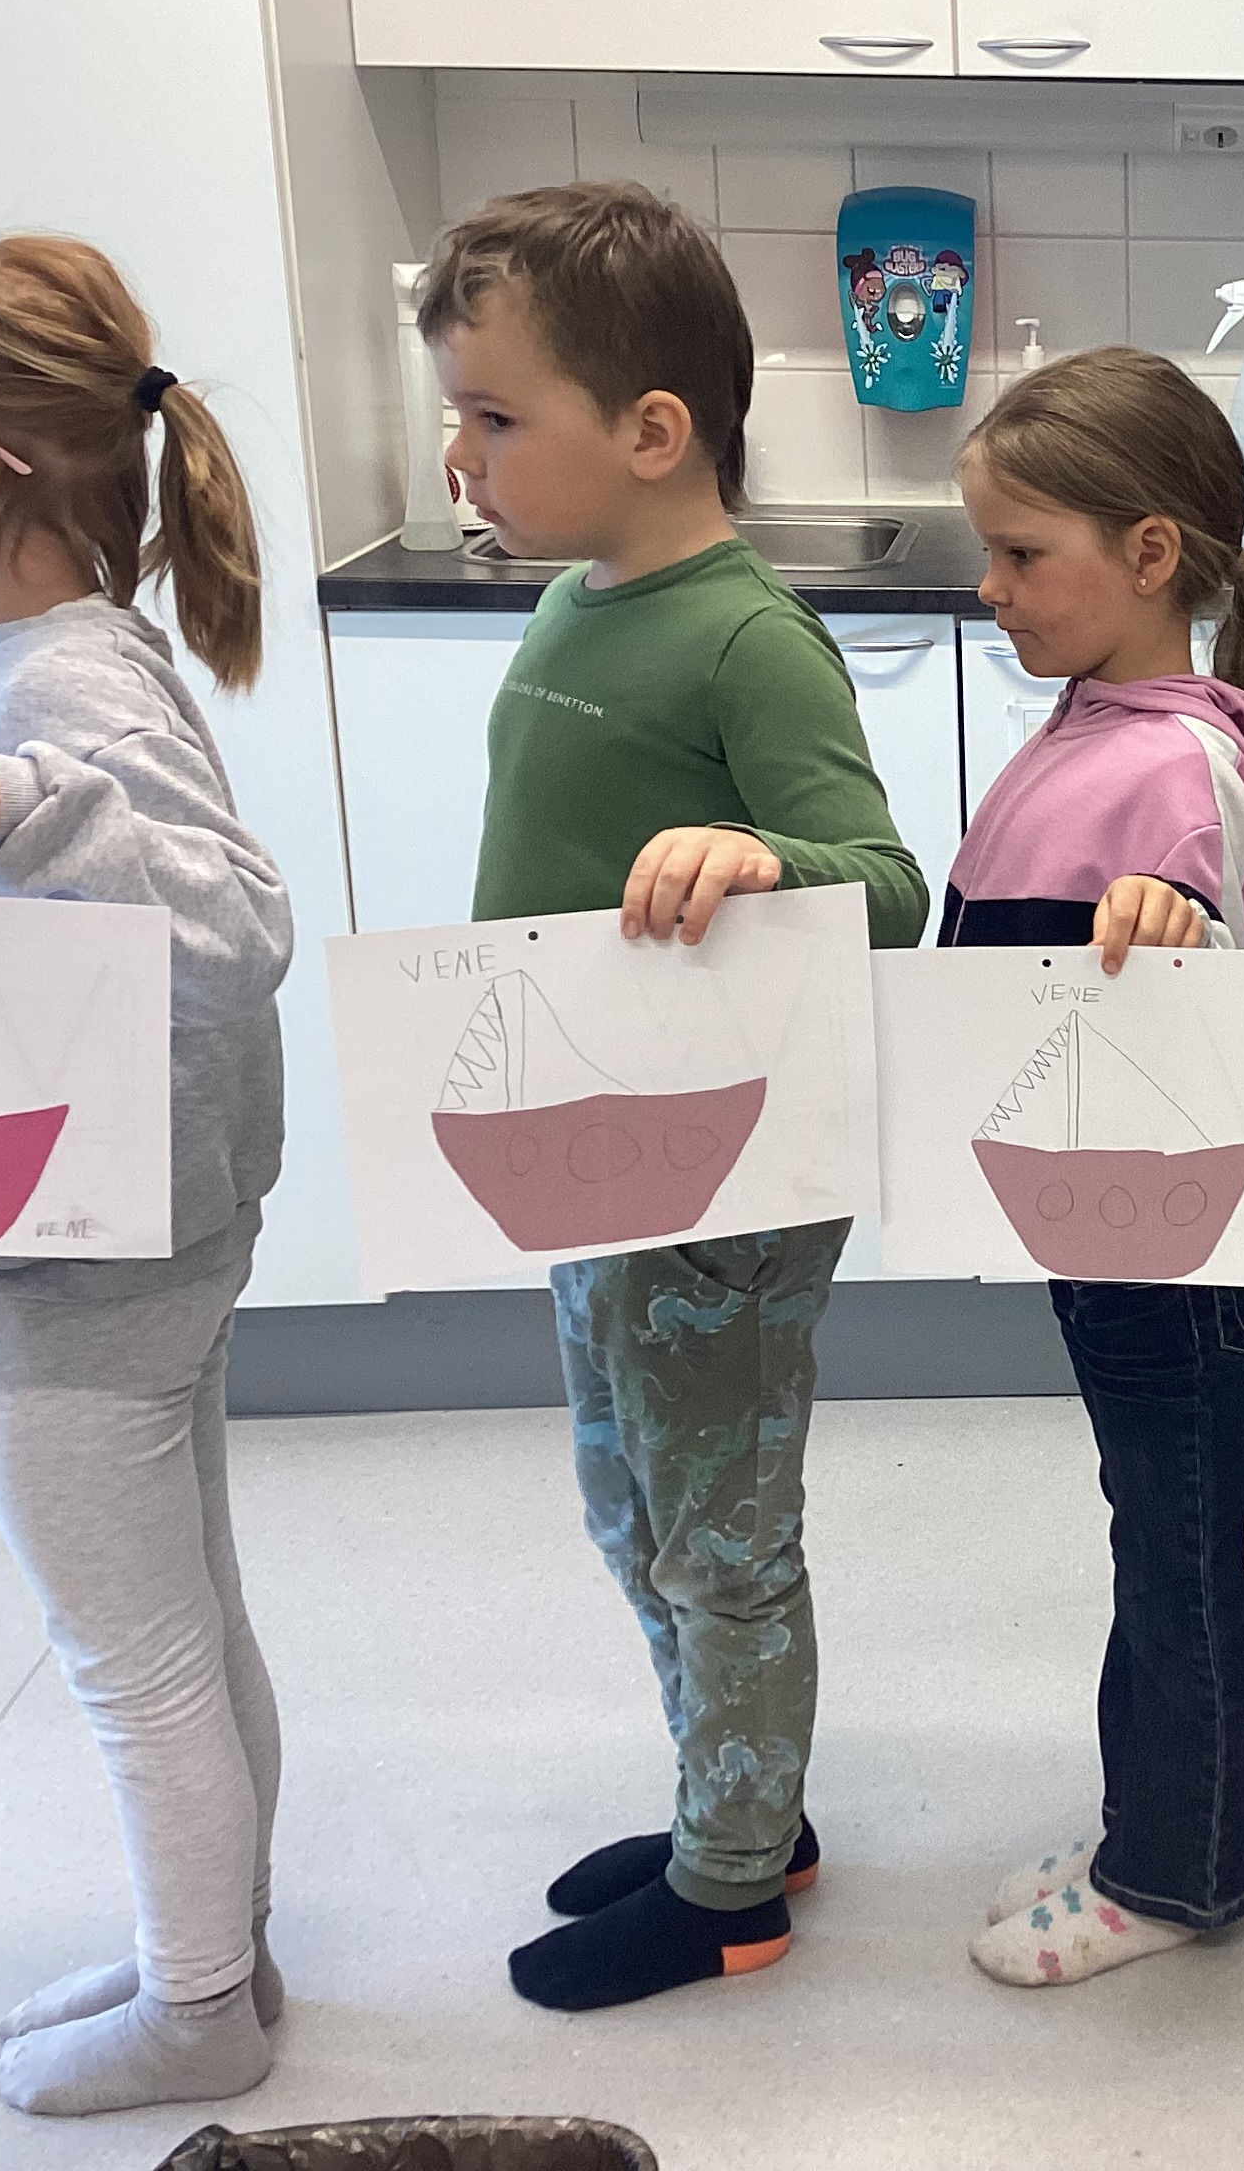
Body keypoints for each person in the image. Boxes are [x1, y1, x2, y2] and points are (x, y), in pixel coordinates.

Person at [414, 182, 929, 2012]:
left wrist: (760, 853)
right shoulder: (574, 598)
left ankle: (729, 1889)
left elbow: (889, 884)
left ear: (650, 432)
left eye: (494, 415)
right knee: (627, 1502)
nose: (459, 455)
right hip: (593, 1150)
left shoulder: (746, 637)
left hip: (723, 1179)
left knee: (718, 1532)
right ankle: (741, 1800)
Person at [0, 234, 291, 2115]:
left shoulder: (59, 694)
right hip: (103, 1233)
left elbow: (230, 927)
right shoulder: (61, 653)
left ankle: (199, 2010)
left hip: (96, 1270)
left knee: (134, 1657)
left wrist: (13, 797)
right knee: (191, 1620)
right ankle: (224, 1950)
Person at [938, 346, 1244, 1985]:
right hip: (1103, 1220)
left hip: (1172, 1249)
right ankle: (1148, 1817)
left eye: (1019, 552)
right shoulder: (1097, 717)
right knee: (1152, 1529)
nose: (990, 587)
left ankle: (1184, 1871)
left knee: (1175, 1548)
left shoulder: (1176, 761)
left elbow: (1208, 966)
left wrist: (1168, 925)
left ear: (1149, 553)